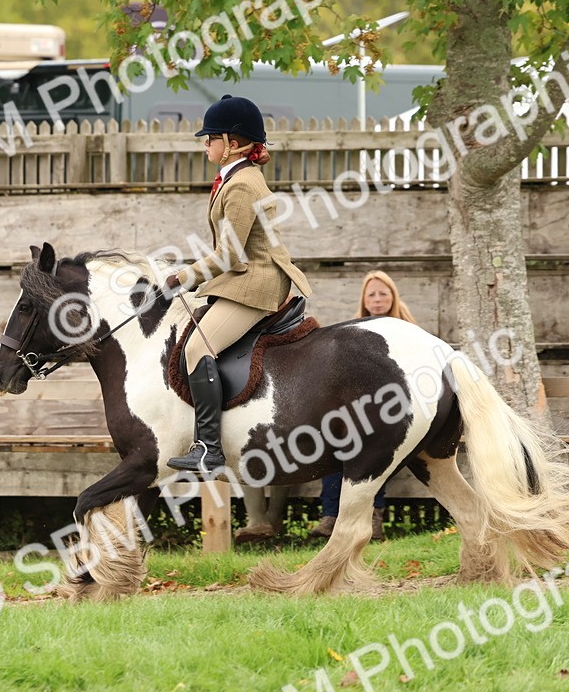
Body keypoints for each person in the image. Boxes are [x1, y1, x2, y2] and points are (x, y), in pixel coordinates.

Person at [163, 95, 312, 473]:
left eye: (210, 137)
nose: (205, 144)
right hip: (246, 276)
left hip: (257, 281)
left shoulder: (241, 185)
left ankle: (209, 449)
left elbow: (229, 254)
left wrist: (183, 277)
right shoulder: (236, 178)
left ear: (232, 143)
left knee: (198, 347)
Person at [311, 270, 418, 541]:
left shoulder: (407, 330)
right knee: (336, 444)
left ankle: (373, 517)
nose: (377, 299)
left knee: (373, 448)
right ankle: (330, 517)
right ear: (364, 300)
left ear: (393, 296)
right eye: (372, 294)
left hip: (397, 409)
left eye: (383, 293)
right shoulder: (356, 331)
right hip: (360, 409)